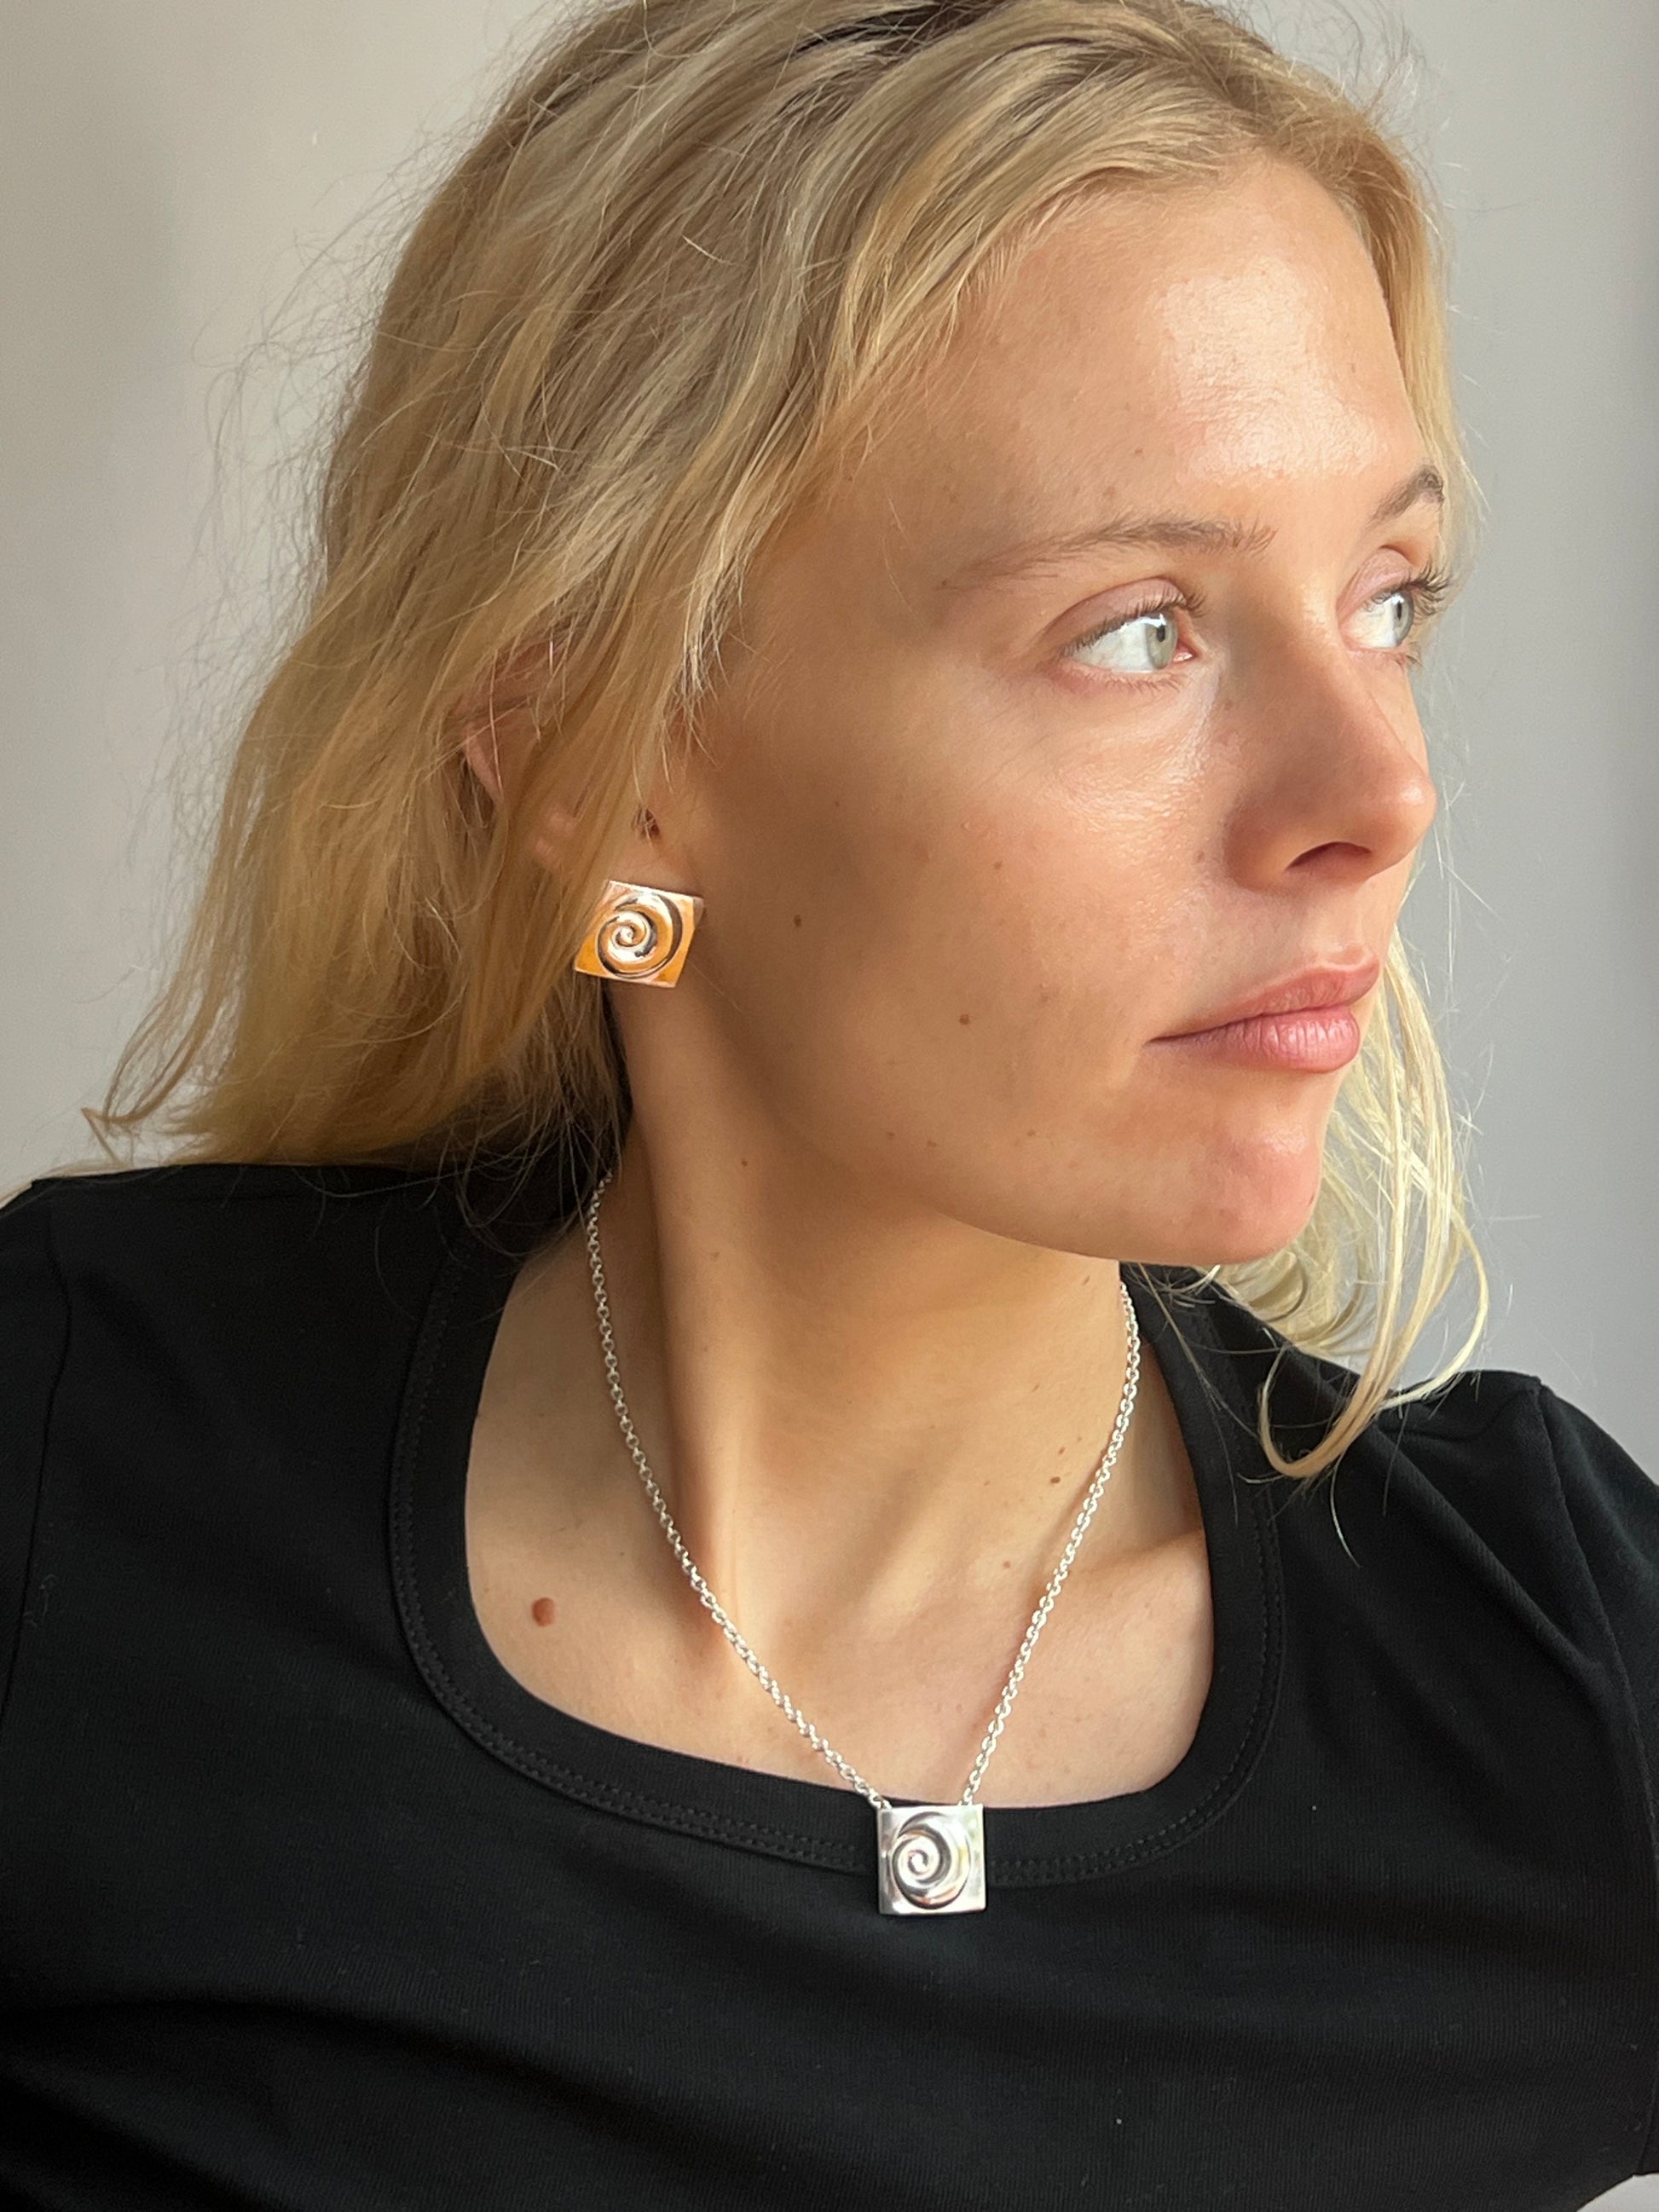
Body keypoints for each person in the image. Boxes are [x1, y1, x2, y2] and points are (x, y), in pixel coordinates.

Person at [1, 0, 1654, 2203]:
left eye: (1386, 596)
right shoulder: (80, 1464)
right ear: (602, 761)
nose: (1381, 790)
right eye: (1139, 628)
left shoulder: (1549, 1666)